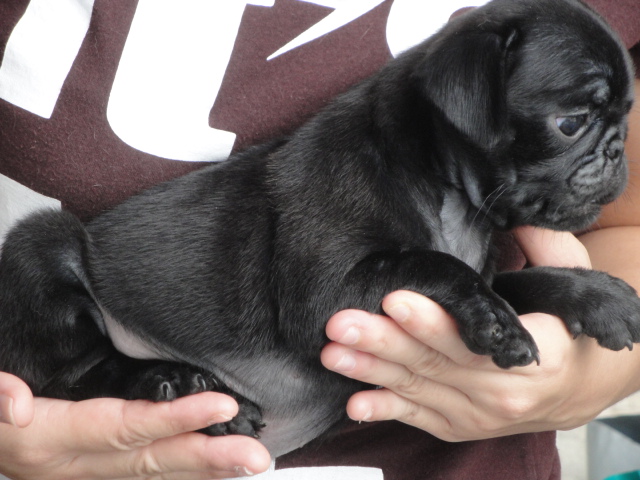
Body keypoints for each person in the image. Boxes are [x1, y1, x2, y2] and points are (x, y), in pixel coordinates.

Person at [0, 1, 639, 478]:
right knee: (41, 249)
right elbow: (340, 301)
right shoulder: (351, 168)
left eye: (615, 126)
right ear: (465, 99)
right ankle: (106, 374)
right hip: (122, 316)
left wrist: (583, 355)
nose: (611, 155)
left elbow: (445, 300)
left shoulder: (467, 212)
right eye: (572, 123)